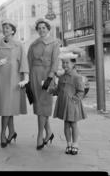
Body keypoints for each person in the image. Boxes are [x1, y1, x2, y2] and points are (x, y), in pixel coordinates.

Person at [0, 19, 29, 148]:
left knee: (7, 108)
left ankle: (3, 133)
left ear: (13, 30)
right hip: (1, 79)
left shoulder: (19, 45)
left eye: (8, 28)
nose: (5, 30)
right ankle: (12, 132)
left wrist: (25, 78)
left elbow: (24, 62)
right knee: (7, 107)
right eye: (4, 27)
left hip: (14, 79)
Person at [27, 18, 60, 150]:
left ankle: (40, 135)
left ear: (48, 29)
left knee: (44, 105)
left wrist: (50, 77)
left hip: (47, 75)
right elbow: (29, 61)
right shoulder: (33, 44)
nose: (41, 30)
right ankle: (49, 132)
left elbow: (55, 61)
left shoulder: (55, 43)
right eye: (39, 28)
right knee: (39, 105)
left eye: (44, 28)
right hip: (35, 75)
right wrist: (27, 78)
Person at [53, 52, 87, 155]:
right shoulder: (62, 77)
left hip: (73, 104)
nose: (64, 65)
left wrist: (74, 100)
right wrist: (50, 90)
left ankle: (75, 144)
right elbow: (58, 90)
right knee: (66, 124)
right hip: (64, 104)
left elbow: (81, 91)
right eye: (63, 63)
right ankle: (68, 144)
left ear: (73, 64)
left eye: (67, 63)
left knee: (73, 124)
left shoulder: (76, 77)